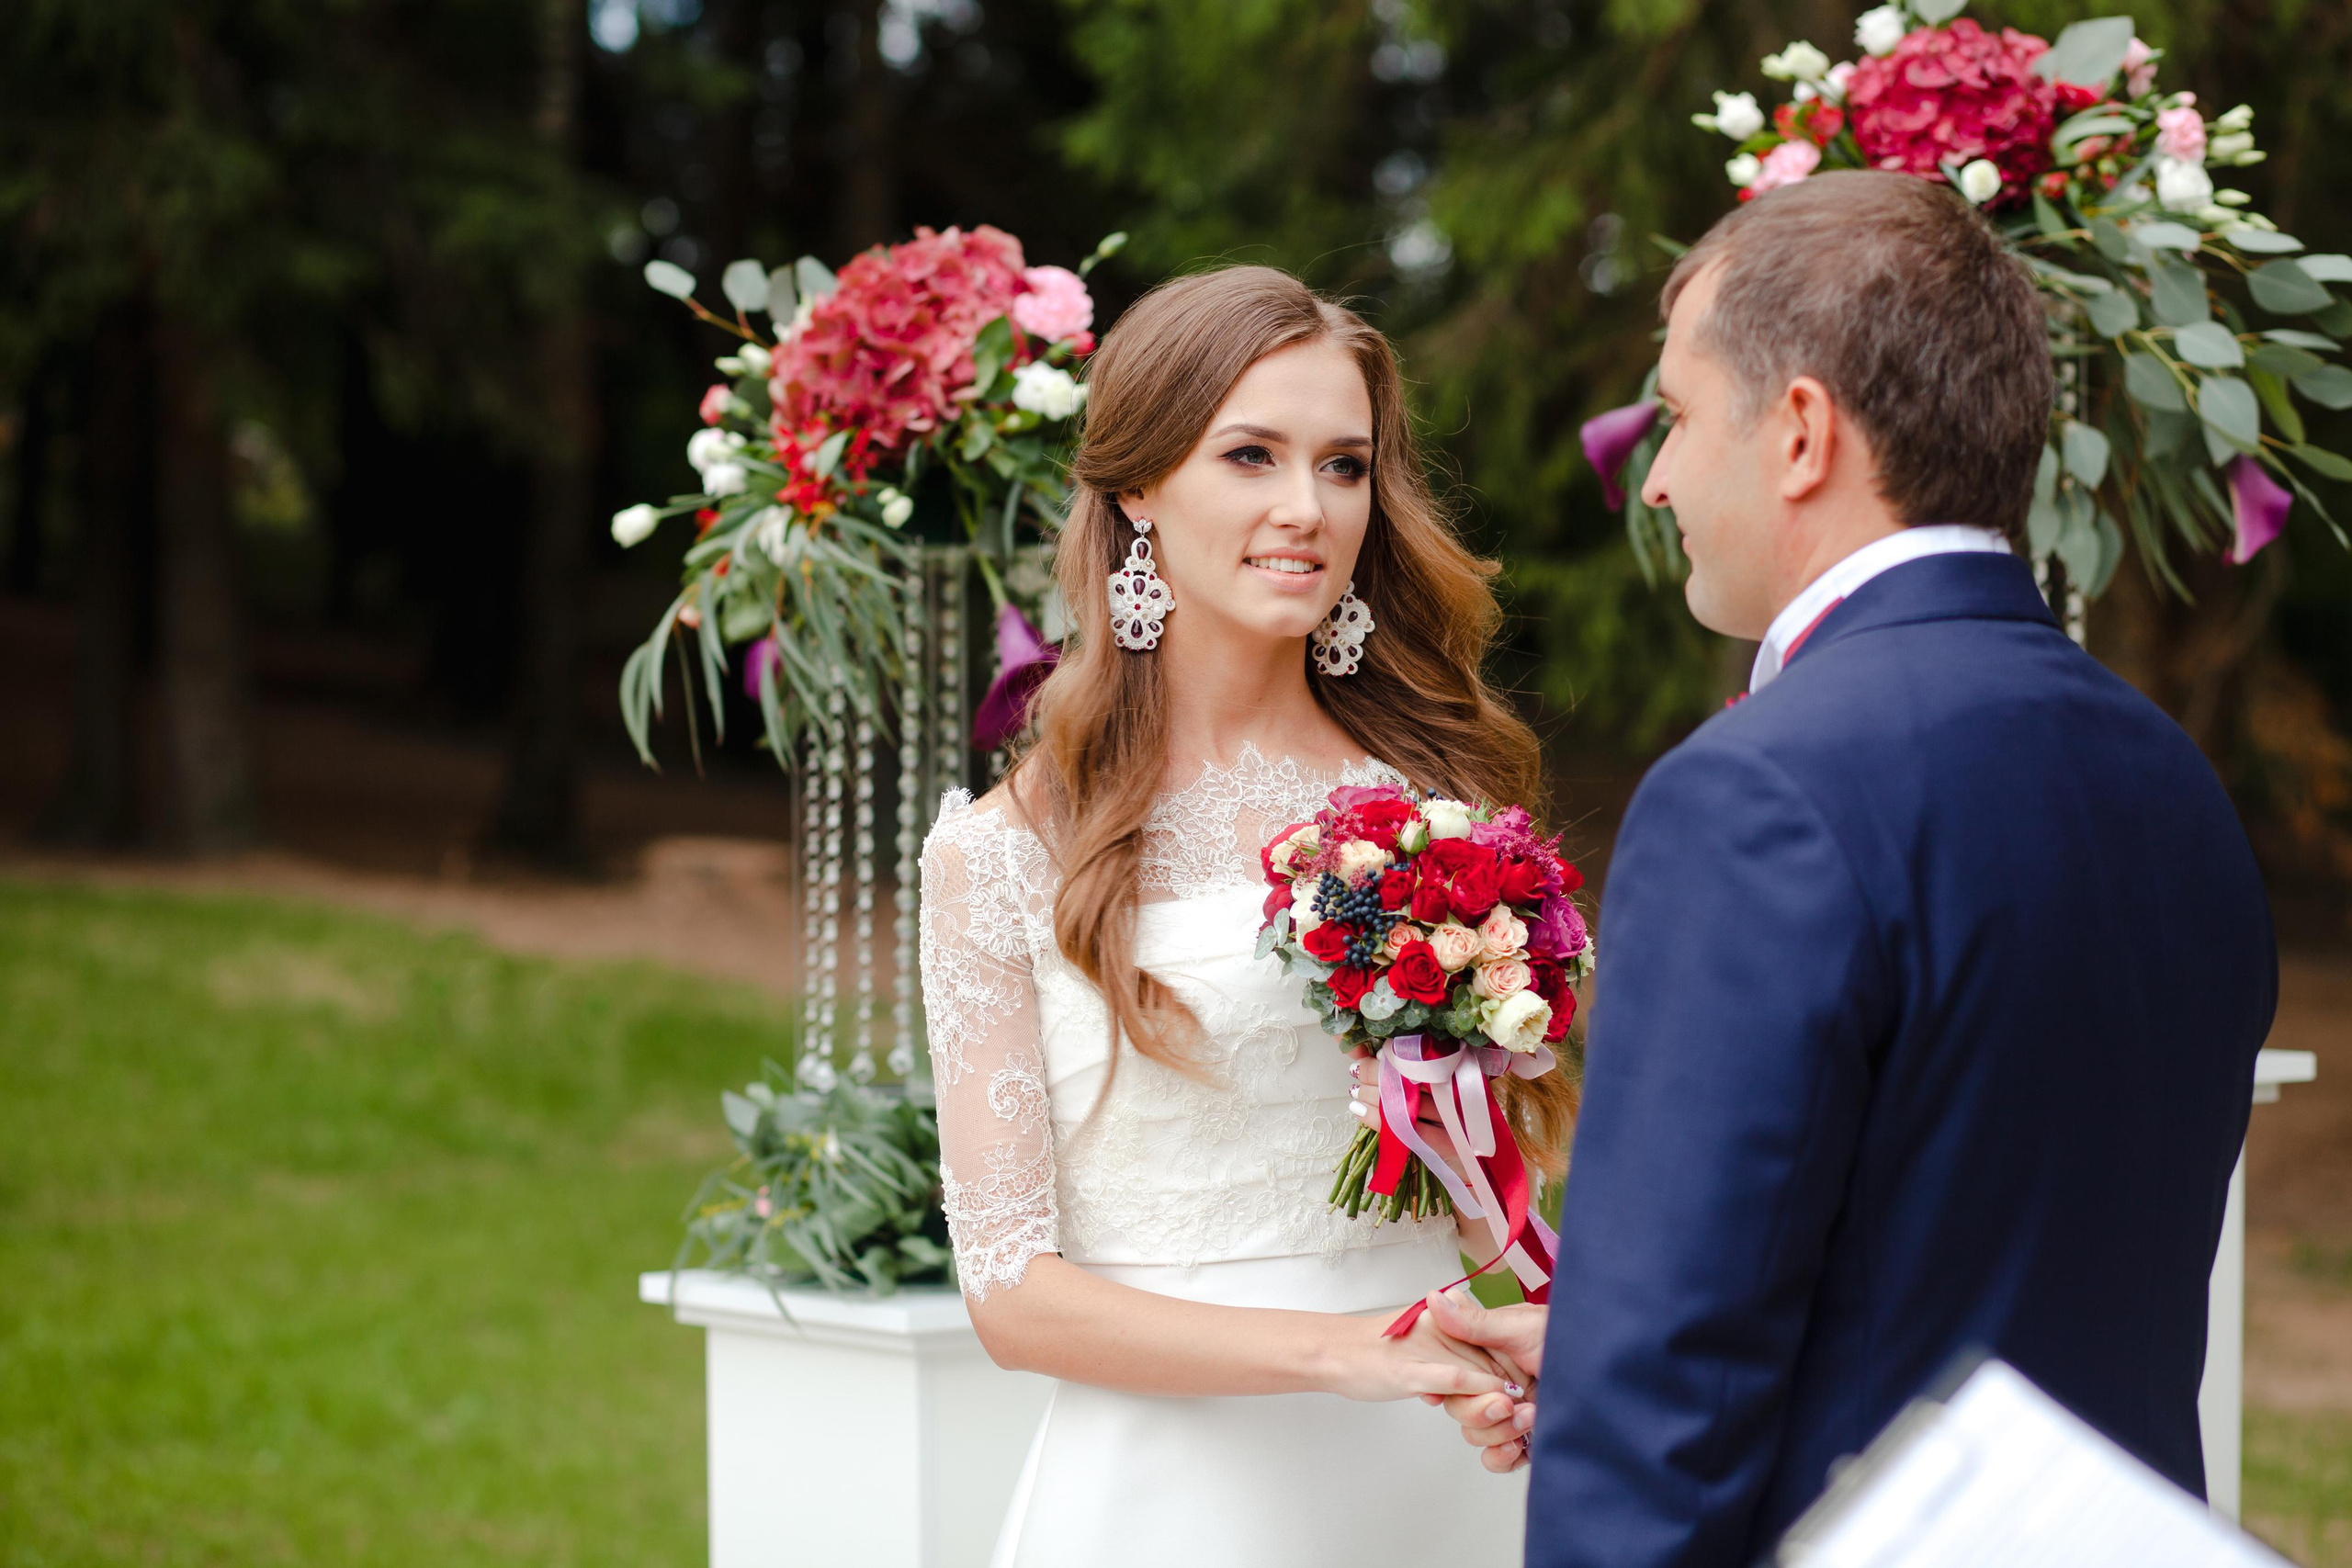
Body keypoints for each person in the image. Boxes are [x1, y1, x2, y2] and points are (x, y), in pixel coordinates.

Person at [1422, 171, 2278, 1565]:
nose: (1657, 477)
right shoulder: (2170, 780)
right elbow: (1983, 1230)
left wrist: (1616, 1370)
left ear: (1803, 432)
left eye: (1683, 416)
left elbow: (1668, 1388)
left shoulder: (1756, 794)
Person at [917, 265, 1574, 1567]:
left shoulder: (1435, 811)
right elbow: (1009, 1294)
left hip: (1429, 1469)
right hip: (1174, 1492)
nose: (1305, 509)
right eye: (1252, 456)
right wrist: (1350, 1357)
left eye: (1343, 466)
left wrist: (1546, 1337)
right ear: (1139, 488)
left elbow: (1483, 1189)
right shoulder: (1002, 856)